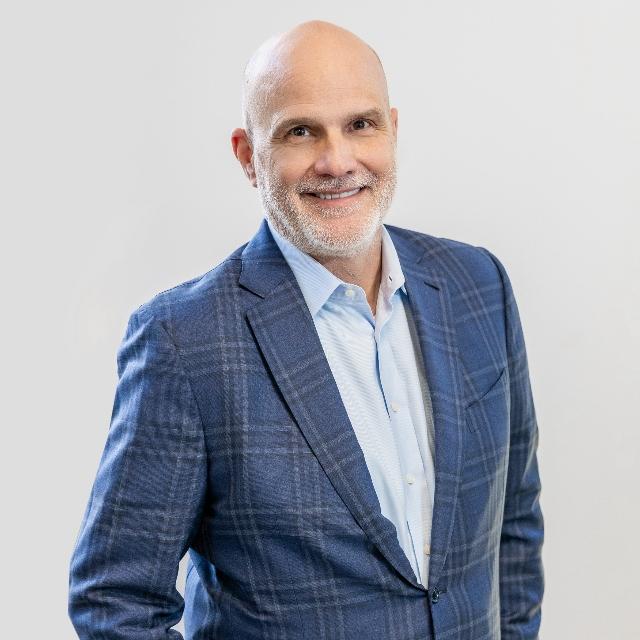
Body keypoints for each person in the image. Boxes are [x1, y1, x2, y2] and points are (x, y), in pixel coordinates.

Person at [68, 20, 544, 640]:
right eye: (300, 131)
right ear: (248, 156)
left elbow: (514, 520)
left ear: (392, 130)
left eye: (360, 124)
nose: (337, 161)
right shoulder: (184, 340)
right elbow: (115, 600)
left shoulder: (477, 285)